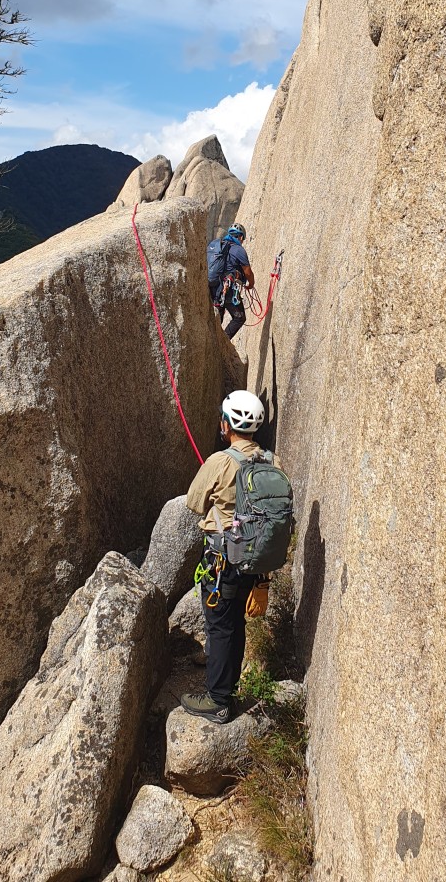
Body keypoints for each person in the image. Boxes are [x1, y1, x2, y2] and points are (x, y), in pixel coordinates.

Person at [181, 389, 277, 725]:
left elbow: (194, 502)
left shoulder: (220, 462)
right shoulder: (270, 462)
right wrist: (264, 581)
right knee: (235, 625)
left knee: (220, 627)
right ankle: (227, 686)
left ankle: (218, 700)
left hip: (223, 562)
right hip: (254, 562)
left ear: (227, 425)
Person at [207, 223, 255, 340]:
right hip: (227, 289)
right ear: (241, 237)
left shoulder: (218, 246)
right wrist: (251, 284)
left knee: (218, 318)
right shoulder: (239, 250)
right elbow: (247, 271)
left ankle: (216, 343)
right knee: (239, 317)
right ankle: (224, 342)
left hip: (213, 287)